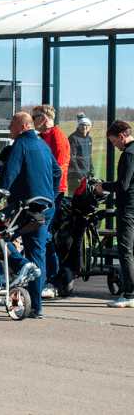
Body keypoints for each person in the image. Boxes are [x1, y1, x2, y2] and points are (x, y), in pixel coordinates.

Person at [0, 113, 61, 319]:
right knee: (37, 251)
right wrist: (49, 195)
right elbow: (57, 172)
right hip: (45, 207)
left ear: (22, 126)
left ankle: (21, 266)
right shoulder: (43, 145)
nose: (9, 128)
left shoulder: (21, 144)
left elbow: (9, 172)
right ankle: (36, 305)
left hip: (25, 208)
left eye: (11, 124)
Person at [32, 104, 69, 298]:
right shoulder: (44, 137)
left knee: (44, 236)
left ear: (43, 119)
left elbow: (58, 171)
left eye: (34, 116)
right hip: (45, 193)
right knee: (41, 236)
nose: (32, 120)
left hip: (52, 194)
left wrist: (50, 197)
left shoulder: (57, 138)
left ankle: (52, 281)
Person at [96, 120, 134, 307]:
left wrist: (103, 186)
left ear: (121, 136)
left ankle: (129, 294)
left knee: (125, 251)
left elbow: (123, 185)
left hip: (128, 208)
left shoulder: (128, 154)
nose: (114, 145)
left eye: (113, 141)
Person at [68, 113, 94, 193]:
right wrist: (79, 173)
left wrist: (92, 172)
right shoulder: (73, 138)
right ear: (78, 126)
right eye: (82, 125)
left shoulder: (89, 139)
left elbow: (89, 158)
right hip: (75, 177)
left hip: (86, 176)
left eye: (87, 125)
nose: (84, 127)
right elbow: (72, 158)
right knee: (73, 198)